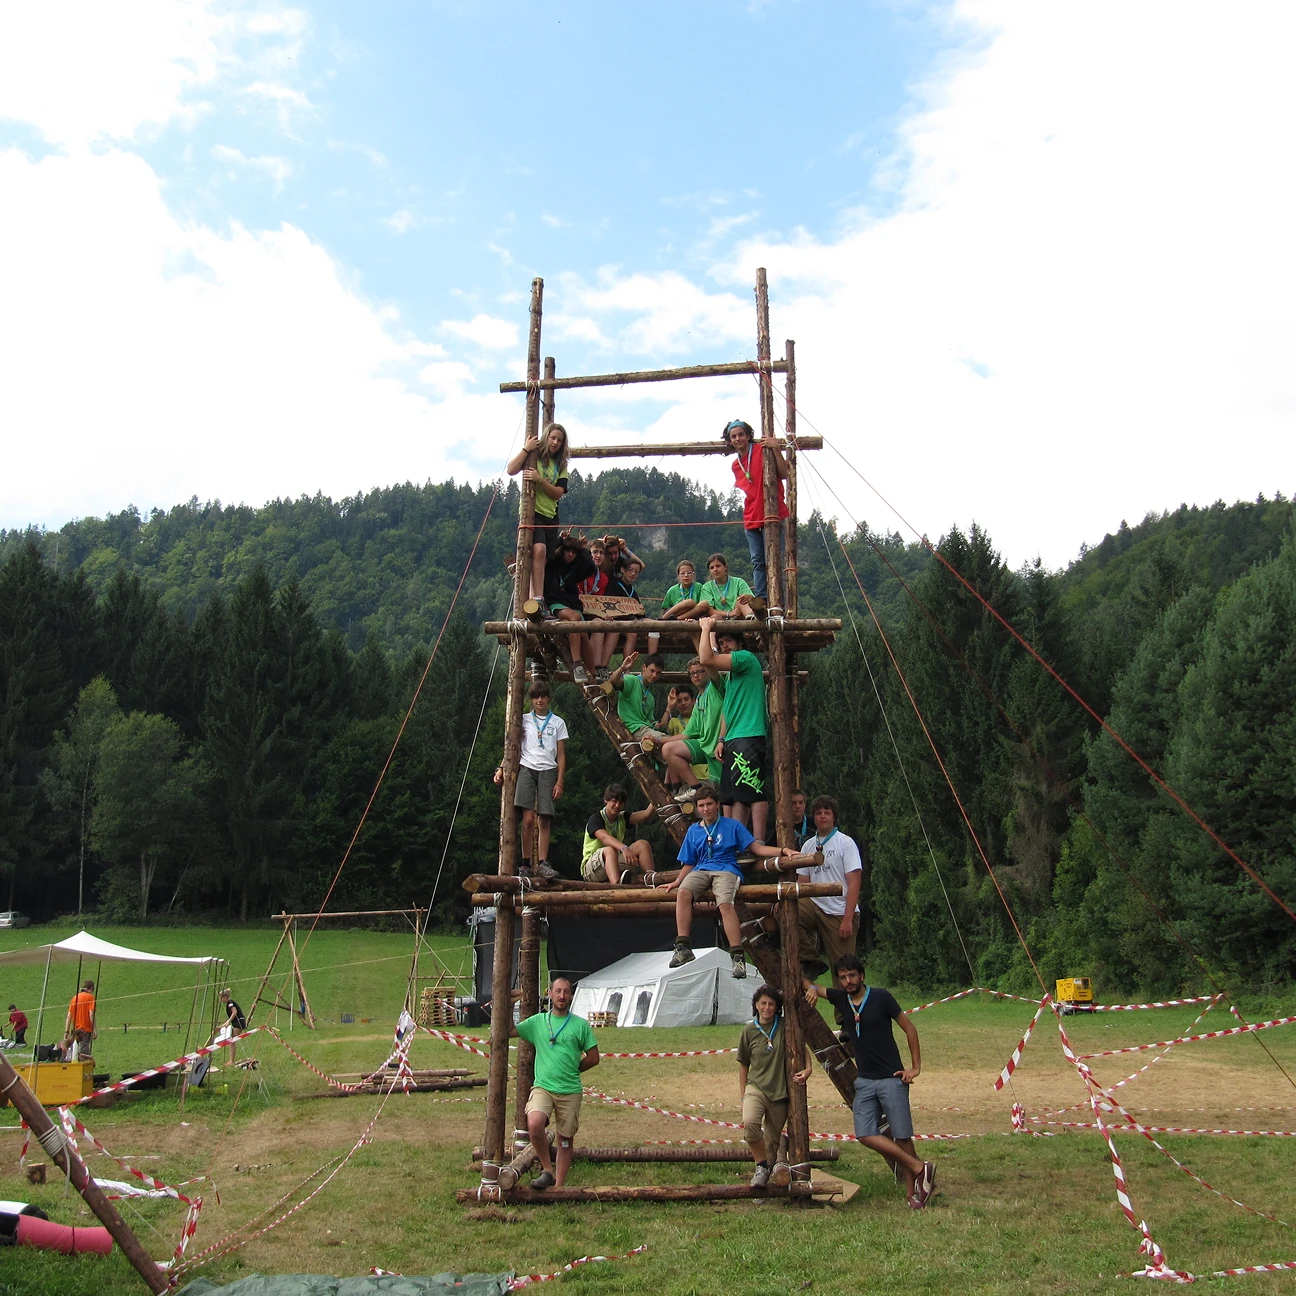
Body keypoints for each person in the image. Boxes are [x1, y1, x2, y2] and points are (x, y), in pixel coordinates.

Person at [804, 955, 934, 1208]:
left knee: (902, 1137)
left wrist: (915, 1067)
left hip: (892, 1078)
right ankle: (921, 1168)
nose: (848, 981)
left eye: (852, 975)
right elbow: (808, 984)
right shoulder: (841, 998)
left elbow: (910, 1029)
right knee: (864, 1134)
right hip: (864, 1081)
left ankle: (912, 1193)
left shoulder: (882, 997)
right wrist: (810, 988)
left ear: (862, 976)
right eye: (843, 977)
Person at [664, 782, 795, 978]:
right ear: (697, 808)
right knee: (683, 893)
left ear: (717, 804)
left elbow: (757, 848)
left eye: (709, 804)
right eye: (701, 805)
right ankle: (683, 947)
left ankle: (737, 956)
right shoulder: (694, 830)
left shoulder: (732, 825)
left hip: (726, 869)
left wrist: (783, 851)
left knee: (724, 903)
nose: (706, 809)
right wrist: (677, 881)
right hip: (701, 869)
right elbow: (689, 862)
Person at [512, 975, 599, 1189]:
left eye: (566, 992)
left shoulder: (580, 1025)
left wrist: (574, 1068)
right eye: (558, 991)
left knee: (565, 1139)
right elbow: (508, 1031)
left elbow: (594, 1057)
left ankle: (559, 1187)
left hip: (570, 1090)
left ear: (571, 996)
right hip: (543, 1087)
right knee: (534, 1124)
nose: (562, 996)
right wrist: (508, 1004)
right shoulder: (538, 1022)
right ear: (549, 994)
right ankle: (547, 1170)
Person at [698, 618, 770, 844]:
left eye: (728, 640)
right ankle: (738, 841)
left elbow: (706, 659)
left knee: (753, 788)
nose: (724, 646)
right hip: (733, 736)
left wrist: (706, 628)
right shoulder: (732, 676)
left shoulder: (745, 658)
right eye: (721, 643)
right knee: (735, 795)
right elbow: (727, 710)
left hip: (749, 733)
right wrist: (721, 739)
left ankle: (757, 841)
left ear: (740, 643)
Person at [738, 985, 811, 1187]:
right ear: (756, 1005)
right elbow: (743, 1064)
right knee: (750, 1123)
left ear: (777, 1007)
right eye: (763, 1003)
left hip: (780, 1093)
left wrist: (808, 1069)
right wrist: (743, 1094)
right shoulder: (749, 1031)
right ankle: (761, 1166)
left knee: (772, 1140)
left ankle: (764, 1179)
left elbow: (802, 1046)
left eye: (771, 1004)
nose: (767, 1008)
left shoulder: (785, 1025)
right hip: (756, 1087)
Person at [493, 680, 567, 877]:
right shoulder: (524, 719)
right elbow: (512, 747)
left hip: (548, 769)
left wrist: (560, 781)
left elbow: (561, 754)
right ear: (531, 700)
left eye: (542, 696)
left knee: (545, 818)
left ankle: (542, 863)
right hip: (527, 767)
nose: (539, 700)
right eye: (535, 697)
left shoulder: (558, 722)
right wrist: (501, 768)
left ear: (548, 698)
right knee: (527, 819)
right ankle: (526, 864)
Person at [796, 795, 862, 987]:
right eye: (818, 813)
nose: (823, 816)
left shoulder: (845, 843)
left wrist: (848, 919)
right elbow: (802, 883)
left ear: (834, 817)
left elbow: (854, 882)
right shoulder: (808, 845)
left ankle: (847, 1006)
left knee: (843, 969)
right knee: (787, 908)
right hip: (815, 905)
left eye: (827, 812)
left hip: (839, 911)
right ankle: (811, 959)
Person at [723, 418, 788, 602]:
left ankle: (778, 601)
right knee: (758, 561)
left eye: (741, 434)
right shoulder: (736, 465)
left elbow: (784, 473)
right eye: (733, 436)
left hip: (772, 512)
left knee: (773, 559)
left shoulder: (763, 450)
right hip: (751, 516)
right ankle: (762, 598)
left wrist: (776, 448)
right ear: (730, 441)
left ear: (748, 435)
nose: (738, 439)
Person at [507, 421, 569, 609]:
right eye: (553, 438)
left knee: (544, 557)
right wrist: (526, 449)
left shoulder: (560, 465)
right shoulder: (534, 456)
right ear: (546, 437)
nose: (555, 443)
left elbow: (558, 492)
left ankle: (535, 597)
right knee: (539, 550)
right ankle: (537, 598)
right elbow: (511, 469)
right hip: (532, 513)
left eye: (559, 440)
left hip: (551, 515)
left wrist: (540, 480)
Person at [661, 658, 725, 793]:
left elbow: (710, 661)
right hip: (705, 747)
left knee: (728, 795)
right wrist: (658, 740)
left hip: (722, 746)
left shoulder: (715, 687)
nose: (696, 675)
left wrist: (702, 647)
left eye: (700, 671)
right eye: (692, 673)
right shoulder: (699, 701)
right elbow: (686, 734)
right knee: (668, 749)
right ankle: (696, 789)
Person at [541, 531, 596, 683]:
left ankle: (593, 674)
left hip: (572, 603)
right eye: (568, 551)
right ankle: (577, 663)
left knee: (583, 634)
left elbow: (590, 567)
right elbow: (548, 551)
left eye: (574, 552)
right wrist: (560, 539)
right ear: (563, 550)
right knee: (575, 617)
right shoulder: (552, 564)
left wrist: (583, 549)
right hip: (556, 602)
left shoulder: (576, 568)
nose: (570, 555)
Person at [580, 783, 654, 884]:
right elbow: (605, 838)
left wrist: (657, 797)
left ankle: (651, 880)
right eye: (614, 801)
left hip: (613, 862)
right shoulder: (596, 819)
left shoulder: (622, 818)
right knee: (609, 850)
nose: (617, 805)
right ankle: (617, 886)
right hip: (592, 869)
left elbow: (646, 814)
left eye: (620, 803)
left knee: (642, 845)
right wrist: (624, 848)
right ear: (606, 801)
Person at [649, 559, 710, 655]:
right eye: (682, 573)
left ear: (693, 574)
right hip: (673, 615)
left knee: (702, 604)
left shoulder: (698, 587)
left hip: (693, 616)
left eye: (689, 573)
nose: (686, 575)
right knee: (689, 602)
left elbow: (702, 606)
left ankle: (675, 619)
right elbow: (665, 608)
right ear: (678, 576)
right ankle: (663, 619)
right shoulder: (672, 590)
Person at [610, 651, 670, 747]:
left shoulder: (650, 698)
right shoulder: (633, 680)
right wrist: (622, 668)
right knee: (671, 742)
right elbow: (613, 681)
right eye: (652, 671)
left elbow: (650, 720)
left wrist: (656, 723)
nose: (654, 675)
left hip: (646, 730)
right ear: (644, 667)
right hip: (633, 728)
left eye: (658, 673)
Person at [696, 553, 756, 620]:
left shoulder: (738, 582)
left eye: (718, 566)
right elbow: (710, 610)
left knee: (741, 600)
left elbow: (751, 599)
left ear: (725, 567)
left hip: (738, 615)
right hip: (720, 618)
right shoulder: (707, 587)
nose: (715, 569)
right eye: (712, 568)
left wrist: (749, 597)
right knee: (715, 617)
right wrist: (729, 613)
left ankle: (752, 619)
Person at [65, 979, 96, 1060]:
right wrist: (94, 1029)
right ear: (91, 988)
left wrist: (66, 1031)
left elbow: (69, 1016)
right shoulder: (90, 997)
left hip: (75, 1030)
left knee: (75, 1050)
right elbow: (91, 1014)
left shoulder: (74, 998)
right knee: (83, 1052)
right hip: (85, 1029)